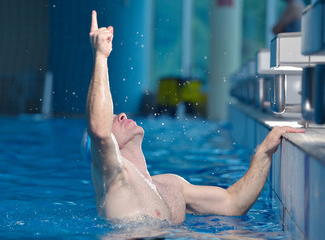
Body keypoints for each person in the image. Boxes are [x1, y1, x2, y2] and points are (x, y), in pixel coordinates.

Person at [86, 10, 305, 225]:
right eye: (112, 117)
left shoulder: (172, 185)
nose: (121, 114)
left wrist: (264, 153)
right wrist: (101, 56)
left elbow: (233, 203)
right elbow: (99, 131)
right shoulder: (115, 180)